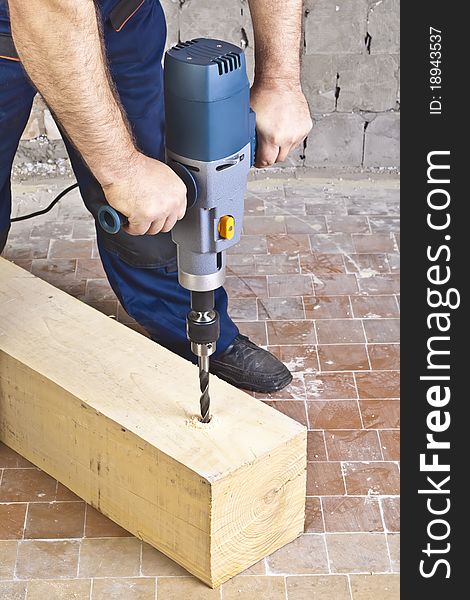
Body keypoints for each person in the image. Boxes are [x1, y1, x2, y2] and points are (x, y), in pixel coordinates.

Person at [0, 0, 312, 392]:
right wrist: (122, 171)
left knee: (159, 209)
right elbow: (48, 8)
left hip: (118, 18)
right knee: (136, 180)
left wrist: (279, 80)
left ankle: (190, 326)